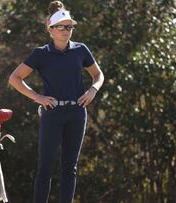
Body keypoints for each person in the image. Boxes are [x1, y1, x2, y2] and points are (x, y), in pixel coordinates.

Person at [8, 1, 104, 202]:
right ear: (50, 29)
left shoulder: (81, 50)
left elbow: (98, 75)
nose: (66, 30)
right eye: (61, 27)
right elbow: (15, 78)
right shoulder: (41, 53)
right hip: (52, 114)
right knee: (46, 166)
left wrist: (93, 89)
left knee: (70, 167)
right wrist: (37, 97)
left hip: (77, 114)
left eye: (69, 26)